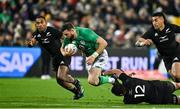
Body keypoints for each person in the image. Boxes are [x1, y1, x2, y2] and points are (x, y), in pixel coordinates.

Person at [26, 16, 84, 100]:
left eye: (41, 22)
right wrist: (30, 44)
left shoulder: (52, 31)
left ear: (45, 23)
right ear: (35, 24)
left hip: (63, 54)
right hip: (55, 57)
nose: (39, 25)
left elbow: (65, 38)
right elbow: (32, 43)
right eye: (37, 23)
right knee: (60, 81)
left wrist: (70, 47)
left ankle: (77, 83)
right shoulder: (36, 34)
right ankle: (77, 92)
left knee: (61, 75)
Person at [61, 22, 116, 87]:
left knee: (92, 80)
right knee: (94, 82)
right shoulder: (68, 38)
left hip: (100, 55)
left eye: (66, 34)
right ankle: (112, 79)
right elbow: (62, 48)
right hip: (89, 57)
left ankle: (113, 79)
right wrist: (65, 53)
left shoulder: (86, 32)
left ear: (72, 31)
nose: (65, 36)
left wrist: (93, 56)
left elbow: (104, 43)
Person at [135, 12, 180, 82]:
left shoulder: (170, 27)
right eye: (152, 21)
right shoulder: (151, 31)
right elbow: (137, 42)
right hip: (166, 57)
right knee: (175, 78)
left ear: (162, 20)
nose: (154, 23)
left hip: (176, 53)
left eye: (156, 20)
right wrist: (143, 43)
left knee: (177, 74)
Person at [103, 69, 180, 104]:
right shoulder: (128, 81)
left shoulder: (128, 100)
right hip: (159, 86)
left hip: (158, 98)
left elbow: (122, 90)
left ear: (120, 94)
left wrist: (115, 83)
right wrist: (104, 74)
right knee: (177, 85)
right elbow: (117, 71)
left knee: (178, 100)